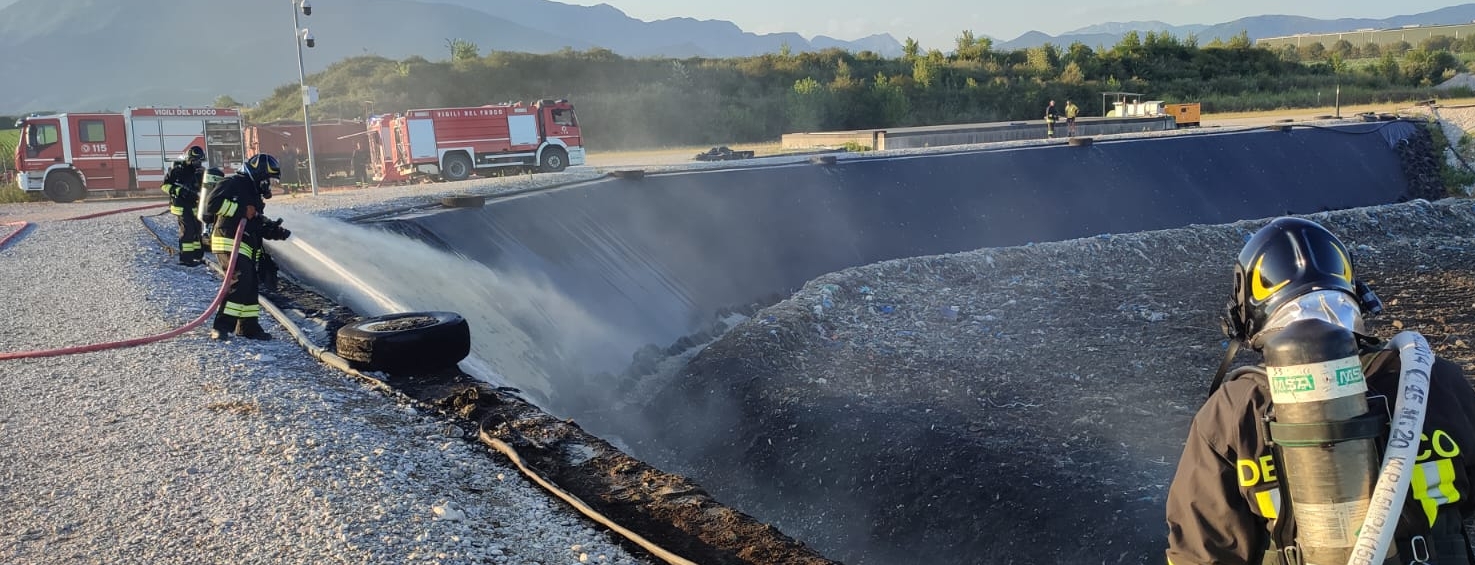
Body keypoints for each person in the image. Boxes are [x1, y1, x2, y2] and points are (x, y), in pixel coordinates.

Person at [1164, 217, 1475, 565]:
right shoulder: (1431, 379)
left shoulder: (1231, 411)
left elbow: (1201, 550)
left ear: (1247, 315)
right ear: (1353, 293)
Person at [205, 154, 291, 341]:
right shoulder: (233, 183)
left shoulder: (254, 194)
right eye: (268, 180)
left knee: (250, 285)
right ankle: (221, 326)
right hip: (228, 241)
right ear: (259, 175)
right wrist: (241, 210)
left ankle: (248, 327)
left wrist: (275, 232)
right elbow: (211, 205)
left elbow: (255, 223)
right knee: (241, 280)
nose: (269, 185)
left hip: (246, 245)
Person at [161, 146, 206, 266]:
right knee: (187, 231)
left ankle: (197, 256)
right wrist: (178, 191)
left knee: (197, 230)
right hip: (181, 206)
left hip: (194, 205)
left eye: (199, 161)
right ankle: (186, 259)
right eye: (195, 160)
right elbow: (164, 186)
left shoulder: (200, 172)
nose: (198, 163)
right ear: (188, 159)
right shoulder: (177, 171)